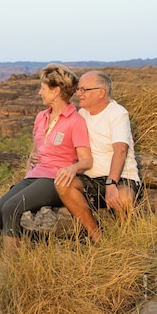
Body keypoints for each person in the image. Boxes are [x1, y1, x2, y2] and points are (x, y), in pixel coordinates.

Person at [0, 64, 92, 281]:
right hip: (34, 176)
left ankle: (9, 273)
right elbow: (36, 150)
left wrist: (72, 168)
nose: (39, 92)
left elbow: (86, 160)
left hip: (54, 179)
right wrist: (28, 168)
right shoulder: (41, 117)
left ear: (56, 91)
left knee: (12, 208)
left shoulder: (75, 121)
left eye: (43, 88)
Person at [55, 70, 141, 242]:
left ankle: (128, 240)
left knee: (122, 198)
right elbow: (64, 140)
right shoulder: (82, 114)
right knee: (63, 184)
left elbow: (120, 150)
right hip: (91, 179)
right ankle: (97, 237)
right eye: (78, 89)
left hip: (121, 178)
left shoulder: (117, 113)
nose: (78, 94)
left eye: (84, 90)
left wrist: (111, 183)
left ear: (101, 92)